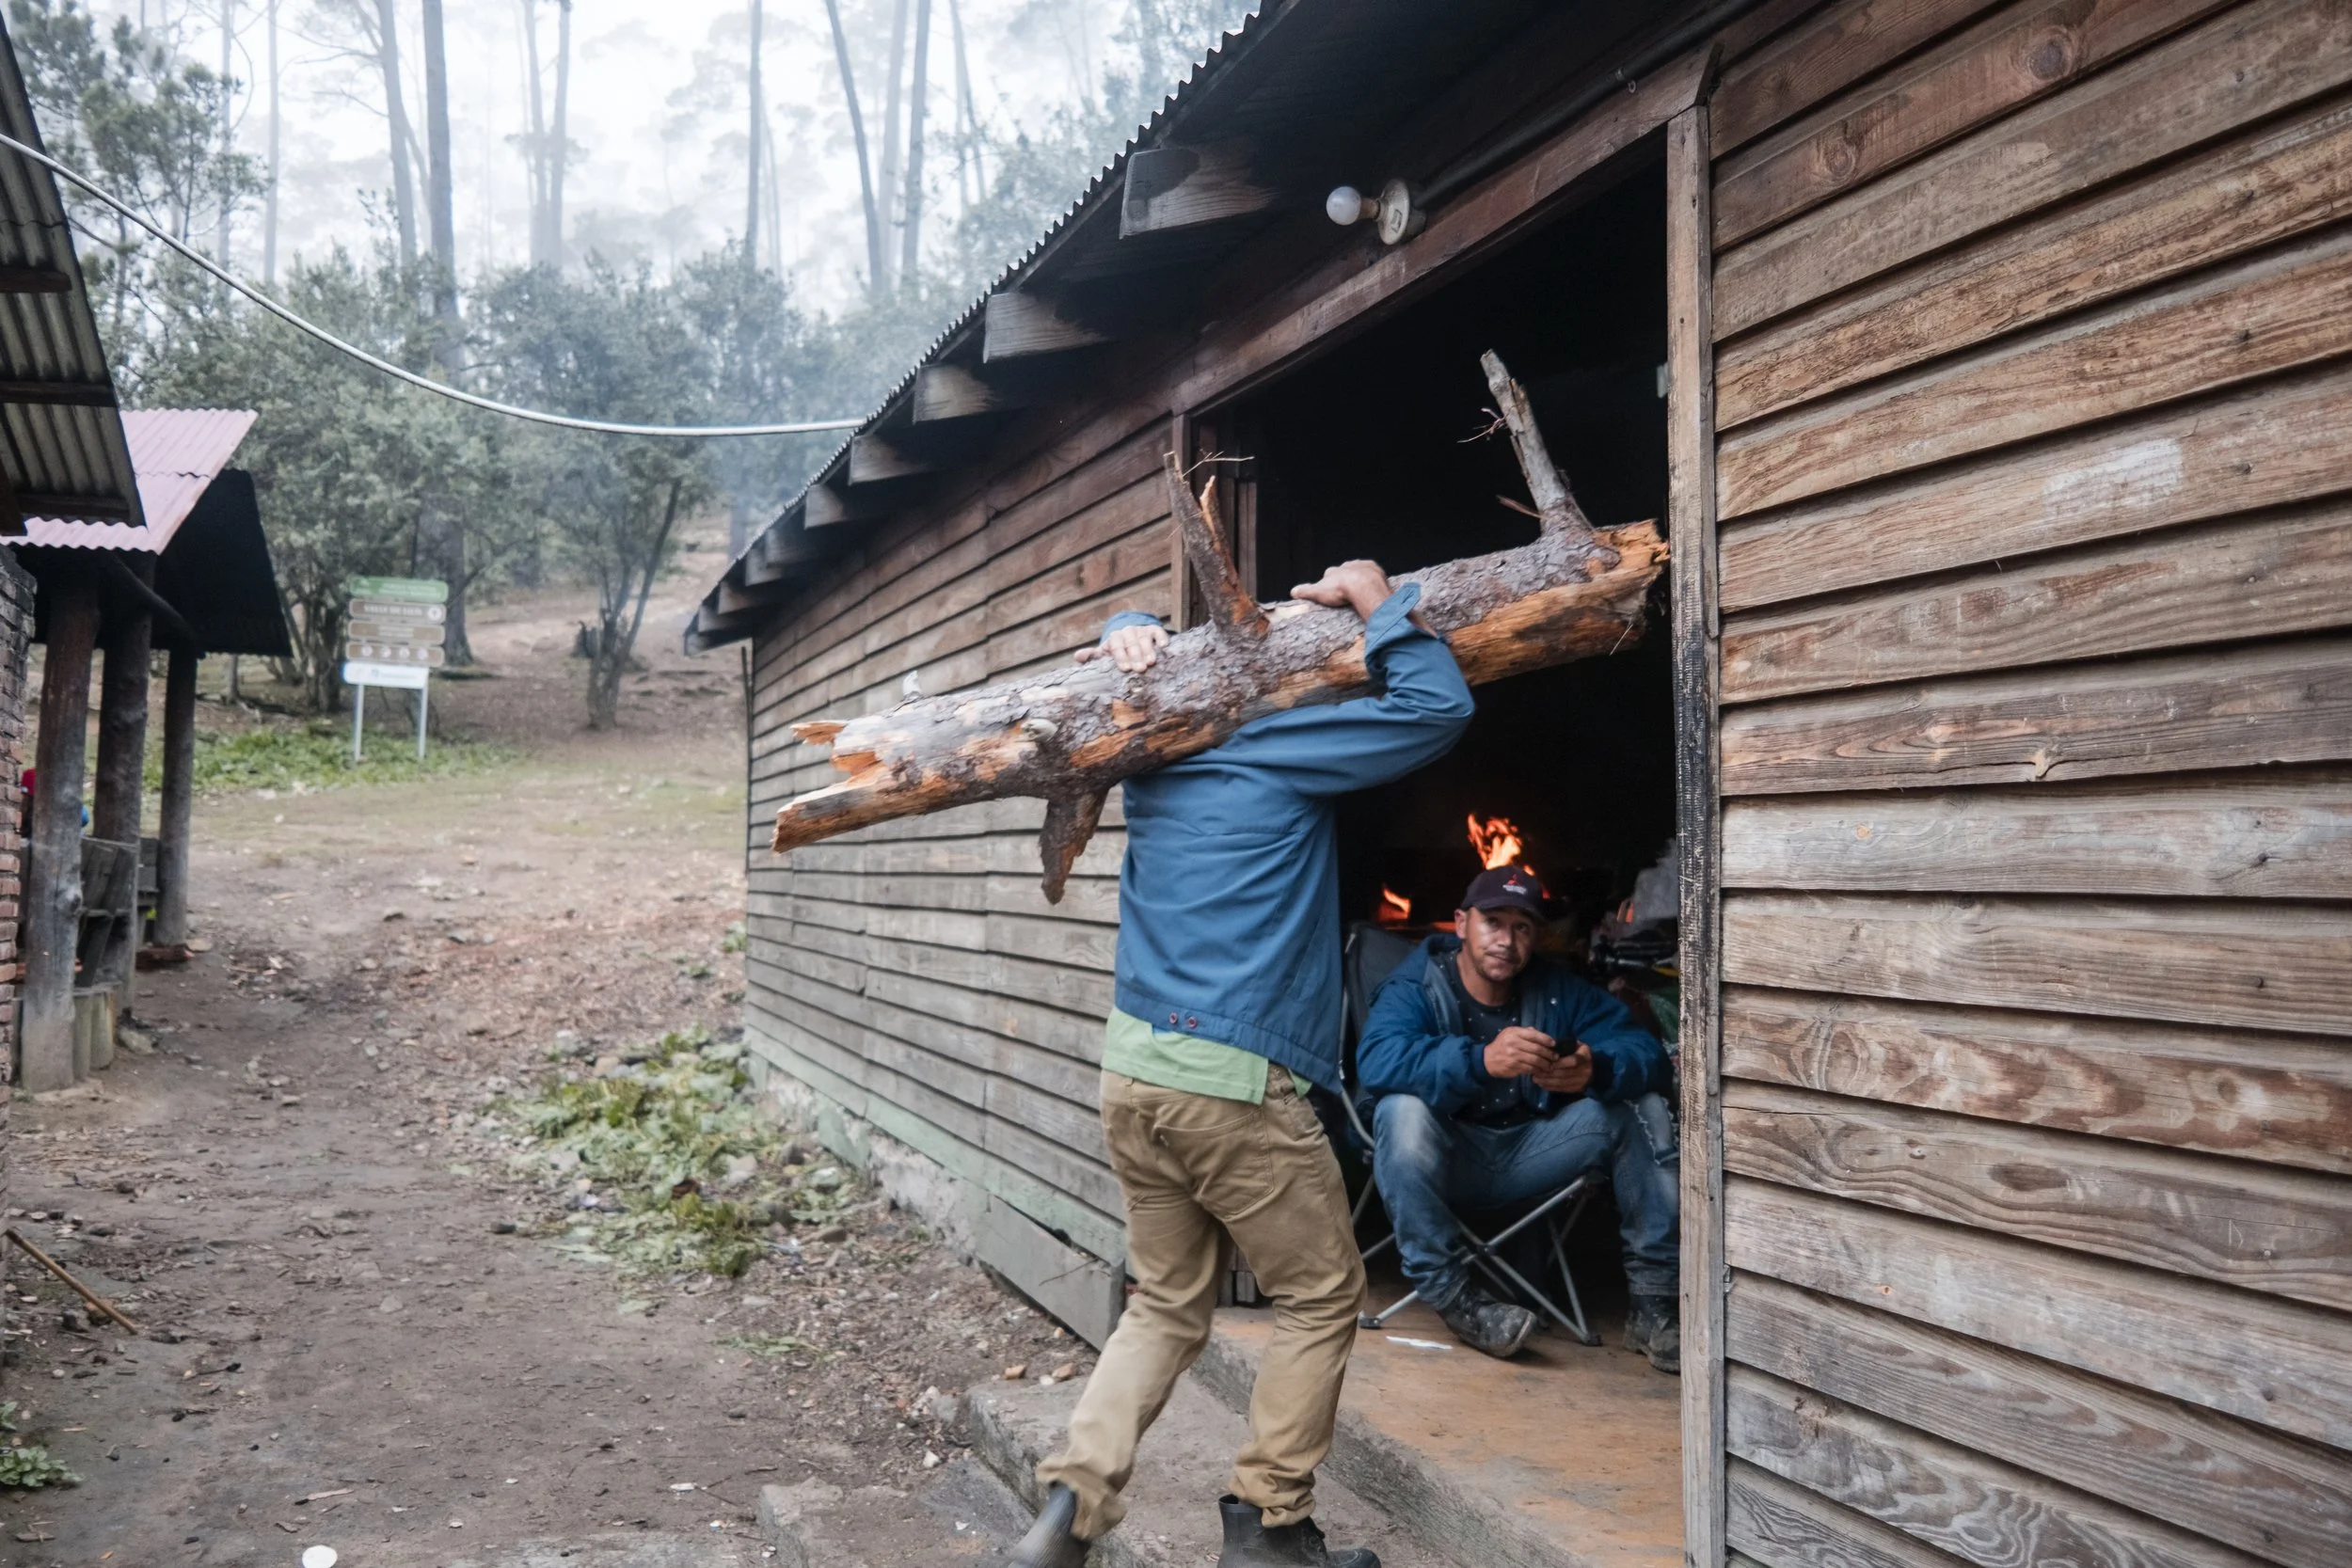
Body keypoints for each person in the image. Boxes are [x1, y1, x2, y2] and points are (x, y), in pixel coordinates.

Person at [1011, 560, 1473, 1568]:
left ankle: (1069, 1508)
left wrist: (1128, 622)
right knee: (1318, 1291)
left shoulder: (1146, 750)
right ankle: (1270, 1525)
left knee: (1169, 1299)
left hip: (1130, 1071)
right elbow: (1437, 706)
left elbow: (1109, 668)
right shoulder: (1276, 742)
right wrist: (1371, 597)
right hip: (1231, 1079)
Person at [1356, 866, 1679, 1369]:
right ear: (1461, 924)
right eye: (1493, 922)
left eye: (1522, 927)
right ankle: (1454, 1297)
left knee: (1641, 1101)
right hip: (1443, 1157)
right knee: (1401, 1109)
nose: (1507, 940)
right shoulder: (1416, 984)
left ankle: (1653, 1306)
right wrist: (1481, 1060)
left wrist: (1596, 1068)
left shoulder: (1556, 989)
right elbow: (1377, 1062)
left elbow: (1648, 1054)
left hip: (1532, 1151)